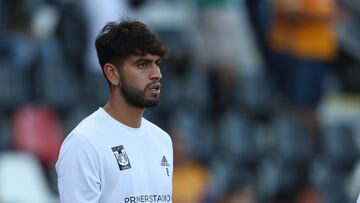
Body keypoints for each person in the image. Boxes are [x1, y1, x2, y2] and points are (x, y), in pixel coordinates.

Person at [55, 19, 173, 203]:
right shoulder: (84, 143)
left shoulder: (162, 140)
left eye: (157, 63)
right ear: (112, 74)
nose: (157, 74)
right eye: (142, 64)